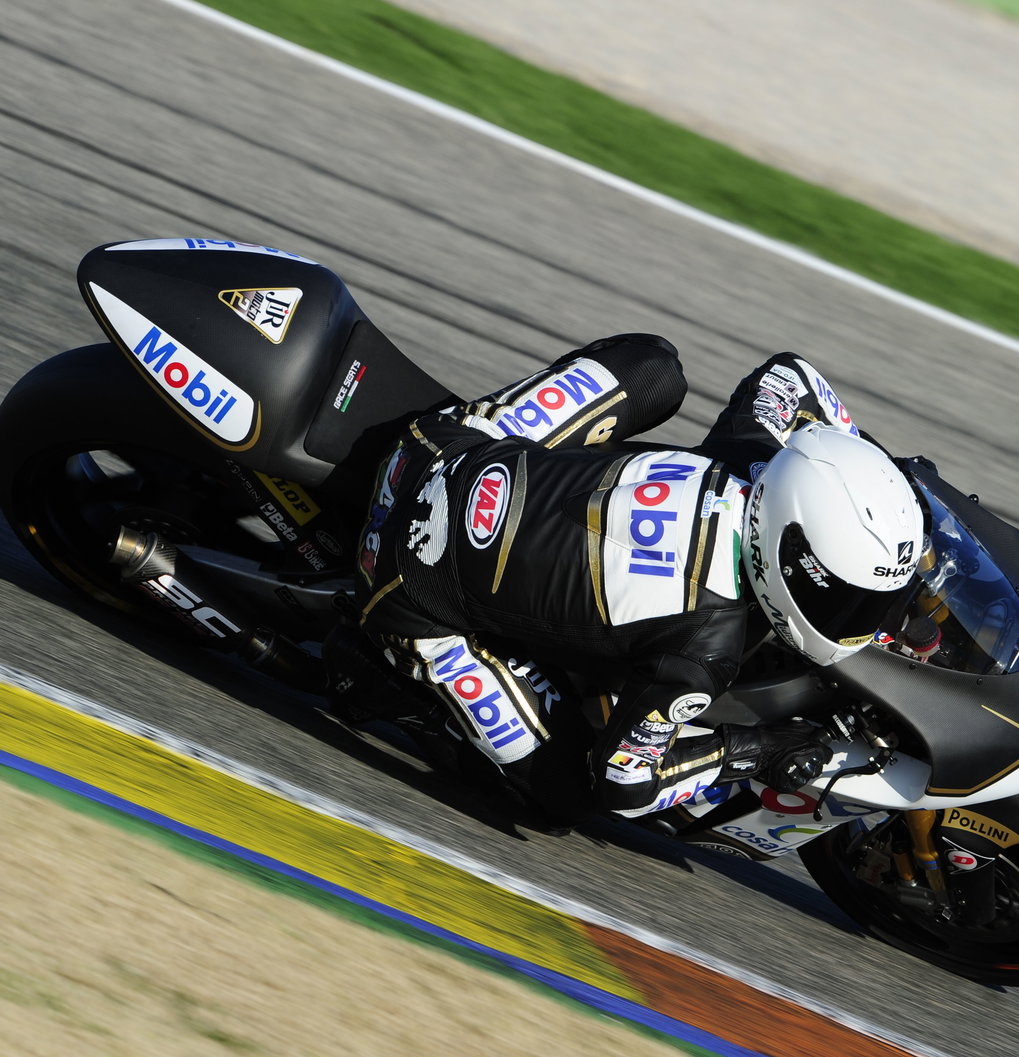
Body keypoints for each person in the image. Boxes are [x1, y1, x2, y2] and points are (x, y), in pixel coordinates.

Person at [334, 333, 929, 825]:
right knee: (567, 796)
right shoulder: (703, 651)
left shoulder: (753, 461)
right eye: (849, 600)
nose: (864, 619)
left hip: (448, 443)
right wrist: (752, 750)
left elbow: (789, 375)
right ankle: (381, 673)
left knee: (655, 366)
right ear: (788, 556)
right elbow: (626, 786)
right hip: (407, 589)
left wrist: (865, 468)